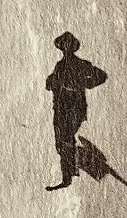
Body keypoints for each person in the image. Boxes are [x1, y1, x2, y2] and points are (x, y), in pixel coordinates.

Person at [44, 32, 106, 191]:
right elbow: (52, 82)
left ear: (73, 47)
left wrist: (85, 84)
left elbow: (101, 76)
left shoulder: (81, 64)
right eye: (64, 46)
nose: (66, 48)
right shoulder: (59, 65)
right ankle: (69, 171)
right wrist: (51, 82)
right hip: (60, 107)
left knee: (65, 139)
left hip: (74, 107)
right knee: (61, 141)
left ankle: (67, 177)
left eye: (69, 45)